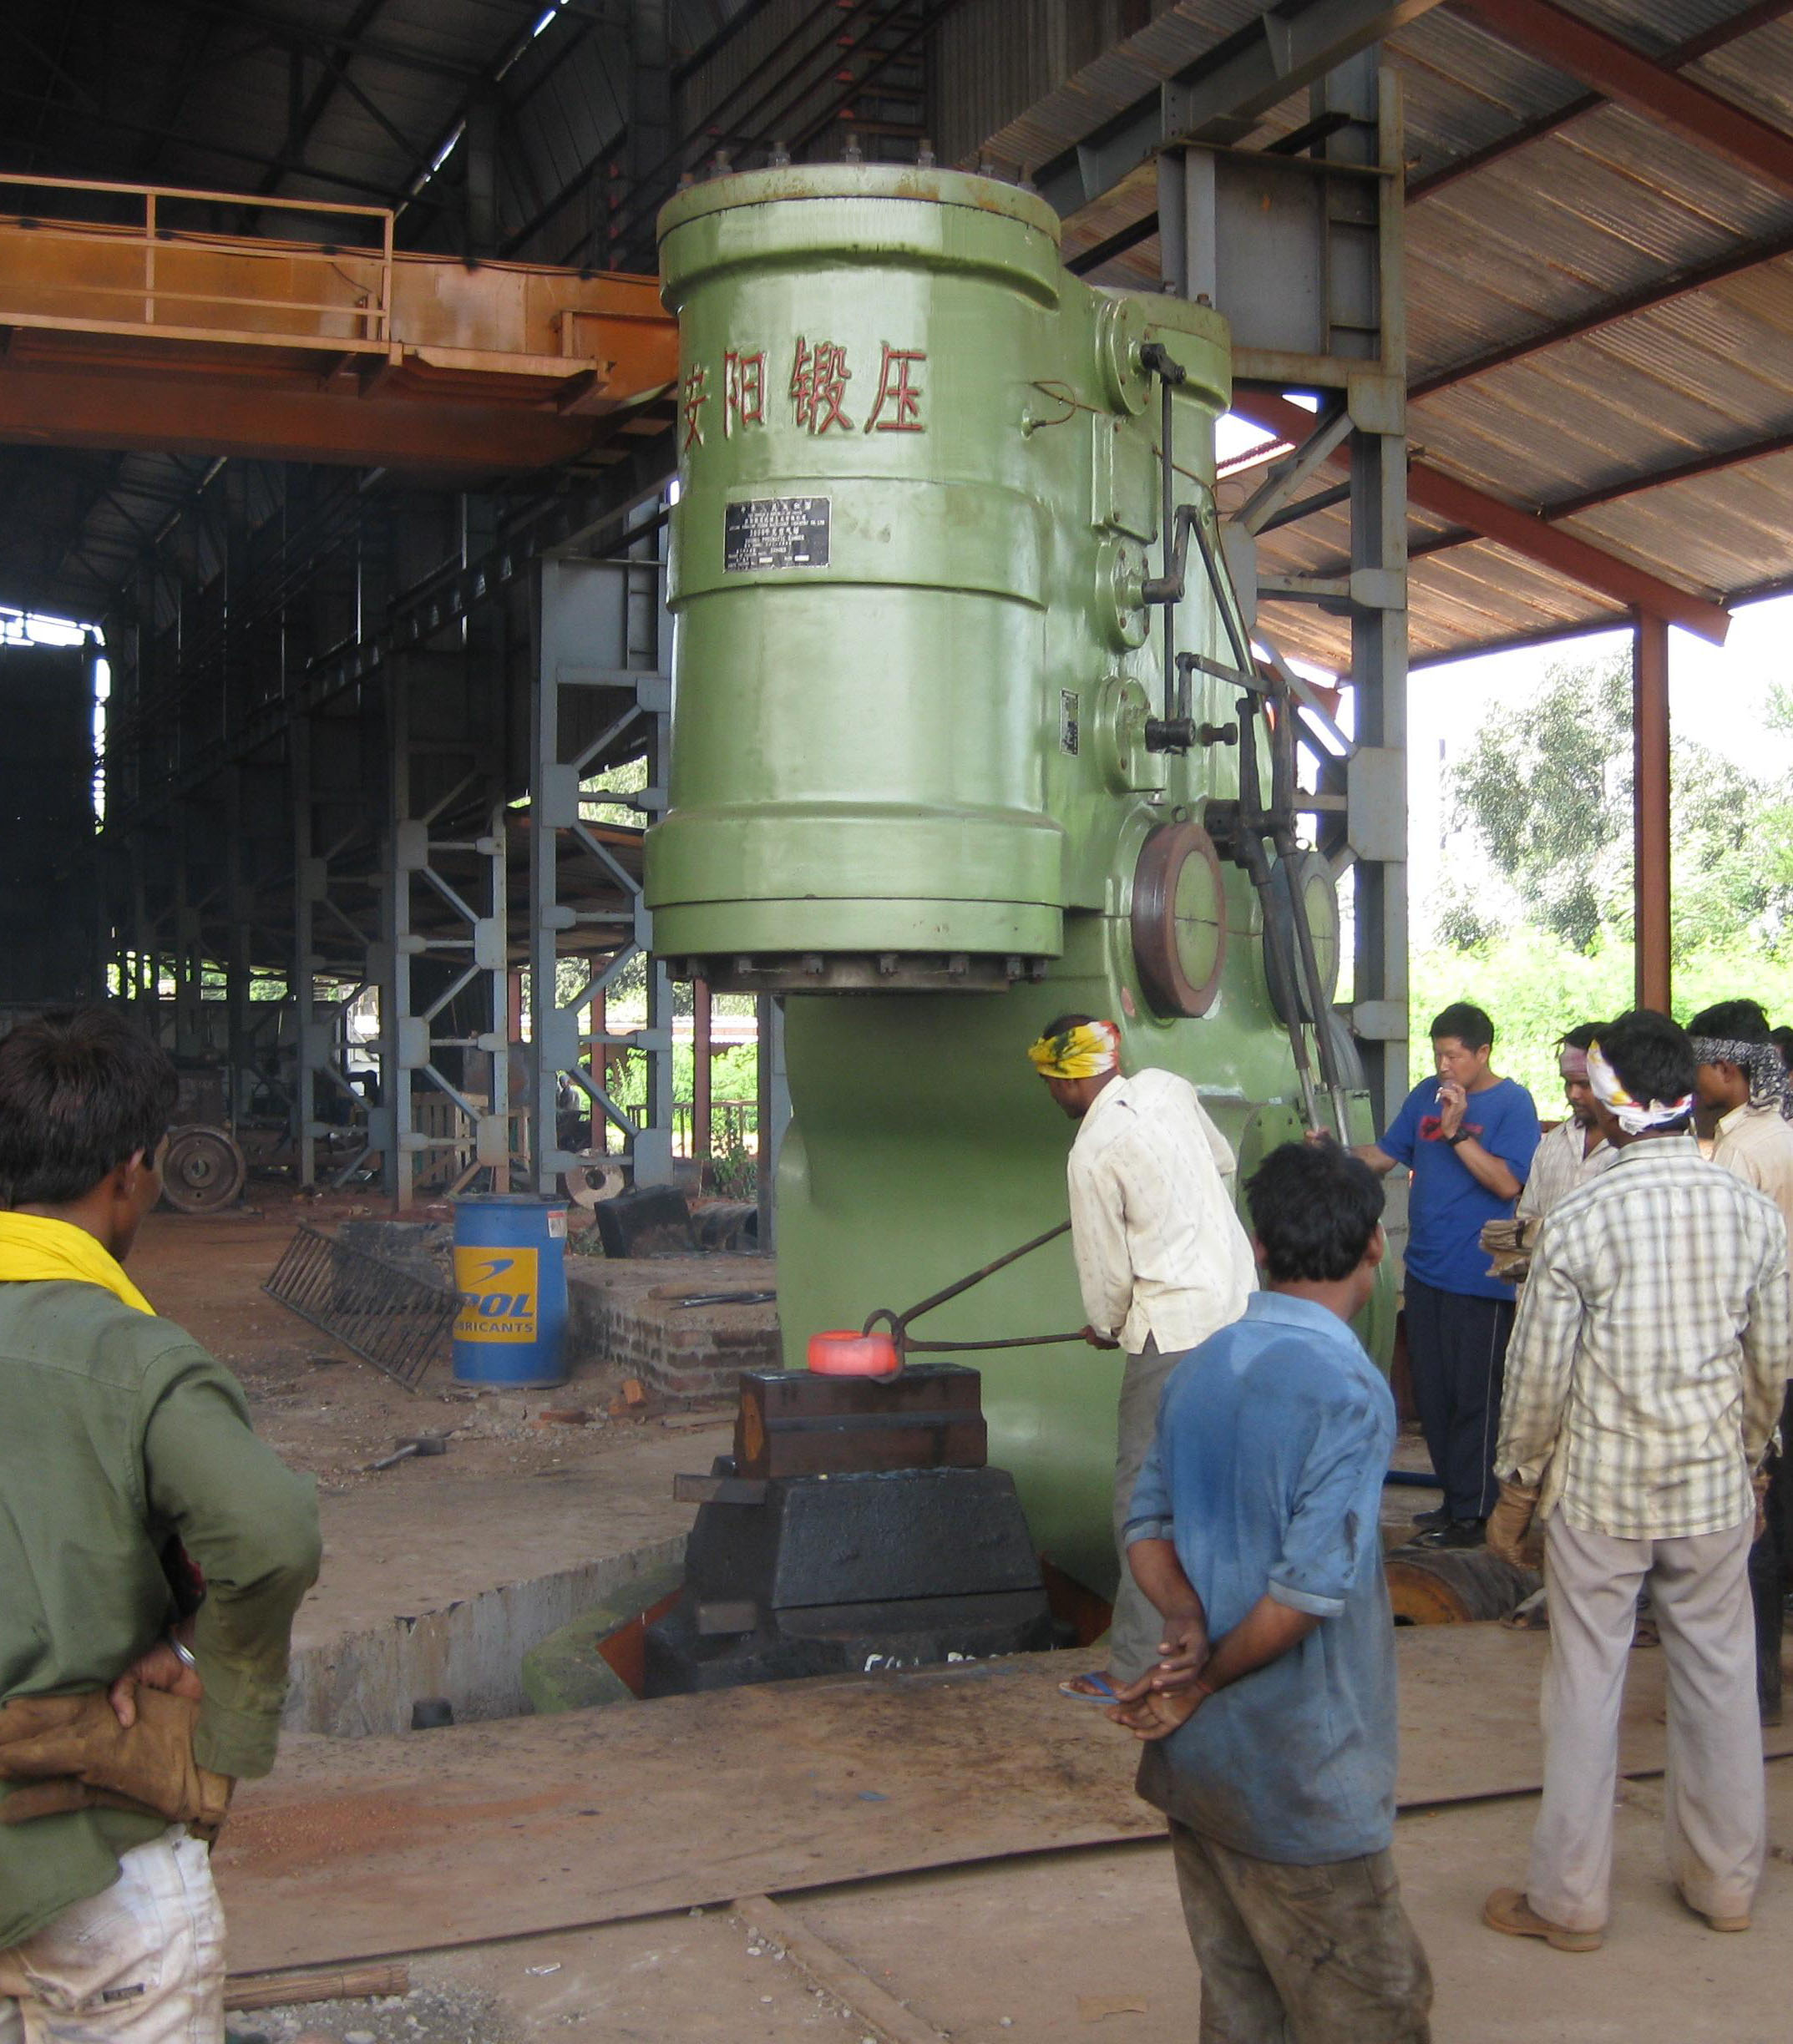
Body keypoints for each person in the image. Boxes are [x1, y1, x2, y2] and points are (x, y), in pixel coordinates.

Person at [0, 1008, 322, 2039]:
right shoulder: (130, 1356)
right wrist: (193, 1658)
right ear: (133, 1173)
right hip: (87, 1865)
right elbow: (269, 1534)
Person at [1107, 1140, 1431, 2042]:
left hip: (1202, 1773)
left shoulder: (1202, 1365)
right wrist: (1204, 1676)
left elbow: (1146, 1530)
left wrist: (1184, 1624)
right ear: (1375, 1246)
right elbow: (1300, 1596)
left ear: (1256, 1246)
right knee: (1371, 2010)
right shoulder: (1349, 1393)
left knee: (1243, 2004)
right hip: (1303, 1777)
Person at [1484, 1010, 1786, 1951]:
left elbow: (1535, 1379)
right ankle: (1724, 1886)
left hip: (1601, 1497)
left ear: (1609, 1107)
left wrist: (1516, 1486)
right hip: (1707, 1490)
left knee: (1583, 1686)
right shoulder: (1749, 1212)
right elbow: (1770, 1362)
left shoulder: (1577, 1218)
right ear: (1690, 1093)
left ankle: (1568, 1904)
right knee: (1720, 1680)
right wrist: (1750, 1460)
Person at [1028, 1014, 1255, 1701]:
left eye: (1047, 1080)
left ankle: (1135, 1665)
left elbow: (1105, 1279)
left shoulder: (1091, 1151)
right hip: (1240, 1311)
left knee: (1146, 1500)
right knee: (1221, 1486)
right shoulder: (1165, 1087)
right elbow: (1220, 1162)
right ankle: (1232, 1644)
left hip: (1173, 1332)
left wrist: (1105, 1324)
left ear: (1061, 1078)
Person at [1347, 1002, 1539, 1548]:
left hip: (1480, 1275)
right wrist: (1332, 1156)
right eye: (1437, 1054)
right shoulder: (1423, 1097)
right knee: (1433, 1397)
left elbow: (1506, 1184)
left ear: (1482, 1052)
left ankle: (1478, 1514)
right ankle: (1453, 1501)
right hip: (1427, 1270)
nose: (1444, 1064)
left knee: (1474, 1396)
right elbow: (1385, 1157)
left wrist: (1457, 1134)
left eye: (1454, 1054)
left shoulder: (1511, 1104)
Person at [1688, 998, 1793, 1724]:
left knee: (1752, 1526)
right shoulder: (1781, 1134)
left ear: (1728, 1068)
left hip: (1763, 1356)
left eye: (1698, 1067)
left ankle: (1751, 1693)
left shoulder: (1741, 1152)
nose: (1692, 1081)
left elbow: (1724, 1273)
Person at [1515, 1024, 1614, 1224]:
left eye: (1585, 1084)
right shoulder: (1552, 1143)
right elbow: (1527, 1221)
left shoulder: (1632, 1146)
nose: (1573, 1094)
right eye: (1568, 1083)